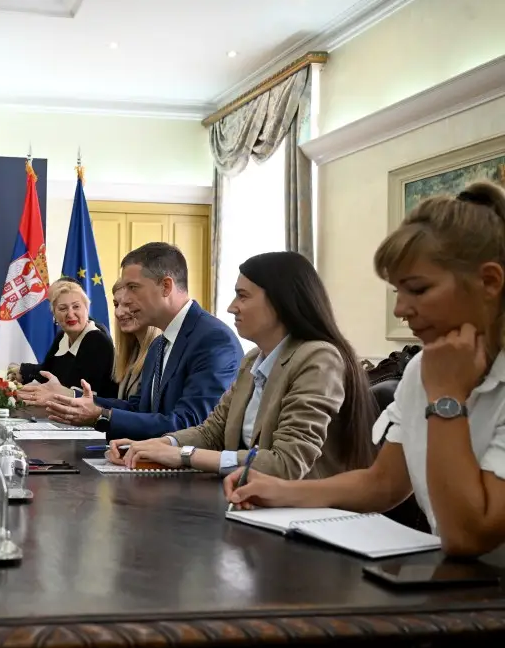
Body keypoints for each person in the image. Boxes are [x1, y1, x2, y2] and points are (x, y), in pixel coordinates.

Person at [224, 181, 505, 558]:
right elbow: (383, 483)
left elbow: (468, 537)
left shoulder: (438, 378)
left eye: (418, 289)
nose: (400, 310)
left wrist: (446, 398)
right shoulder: (424, 368)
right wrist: (281, 490)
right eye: (397, 292)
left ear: (489, 282)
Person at [110, 251, 377, 480]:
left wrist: (182, 454)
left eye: (243, 296)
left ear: (281, 301)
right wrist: (157, 445)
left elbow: (286, 464)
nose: (231, 307)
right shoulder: (252, 359)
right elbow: (211, 433)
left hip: (305, 511)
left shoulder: (319, 358)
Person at [41, 242, 243, 441]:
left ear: (166, 286)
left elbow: (191, 426)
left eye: (133, 287)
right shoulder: (159, 345)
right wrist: (75, 399)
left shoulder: (213, 340)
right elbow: (138, 409)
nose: (126, 299)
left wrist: (102, 416)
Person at [14, 280, 117, 400]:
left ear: (87, 309)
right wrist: (14, 391)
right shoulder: (62, 336)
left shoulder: (96, 340)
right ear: (54, 315)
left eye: (76, 307)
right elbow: (43, 377)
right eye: (63, 309)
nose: (70, 314)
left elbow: (82, 396)